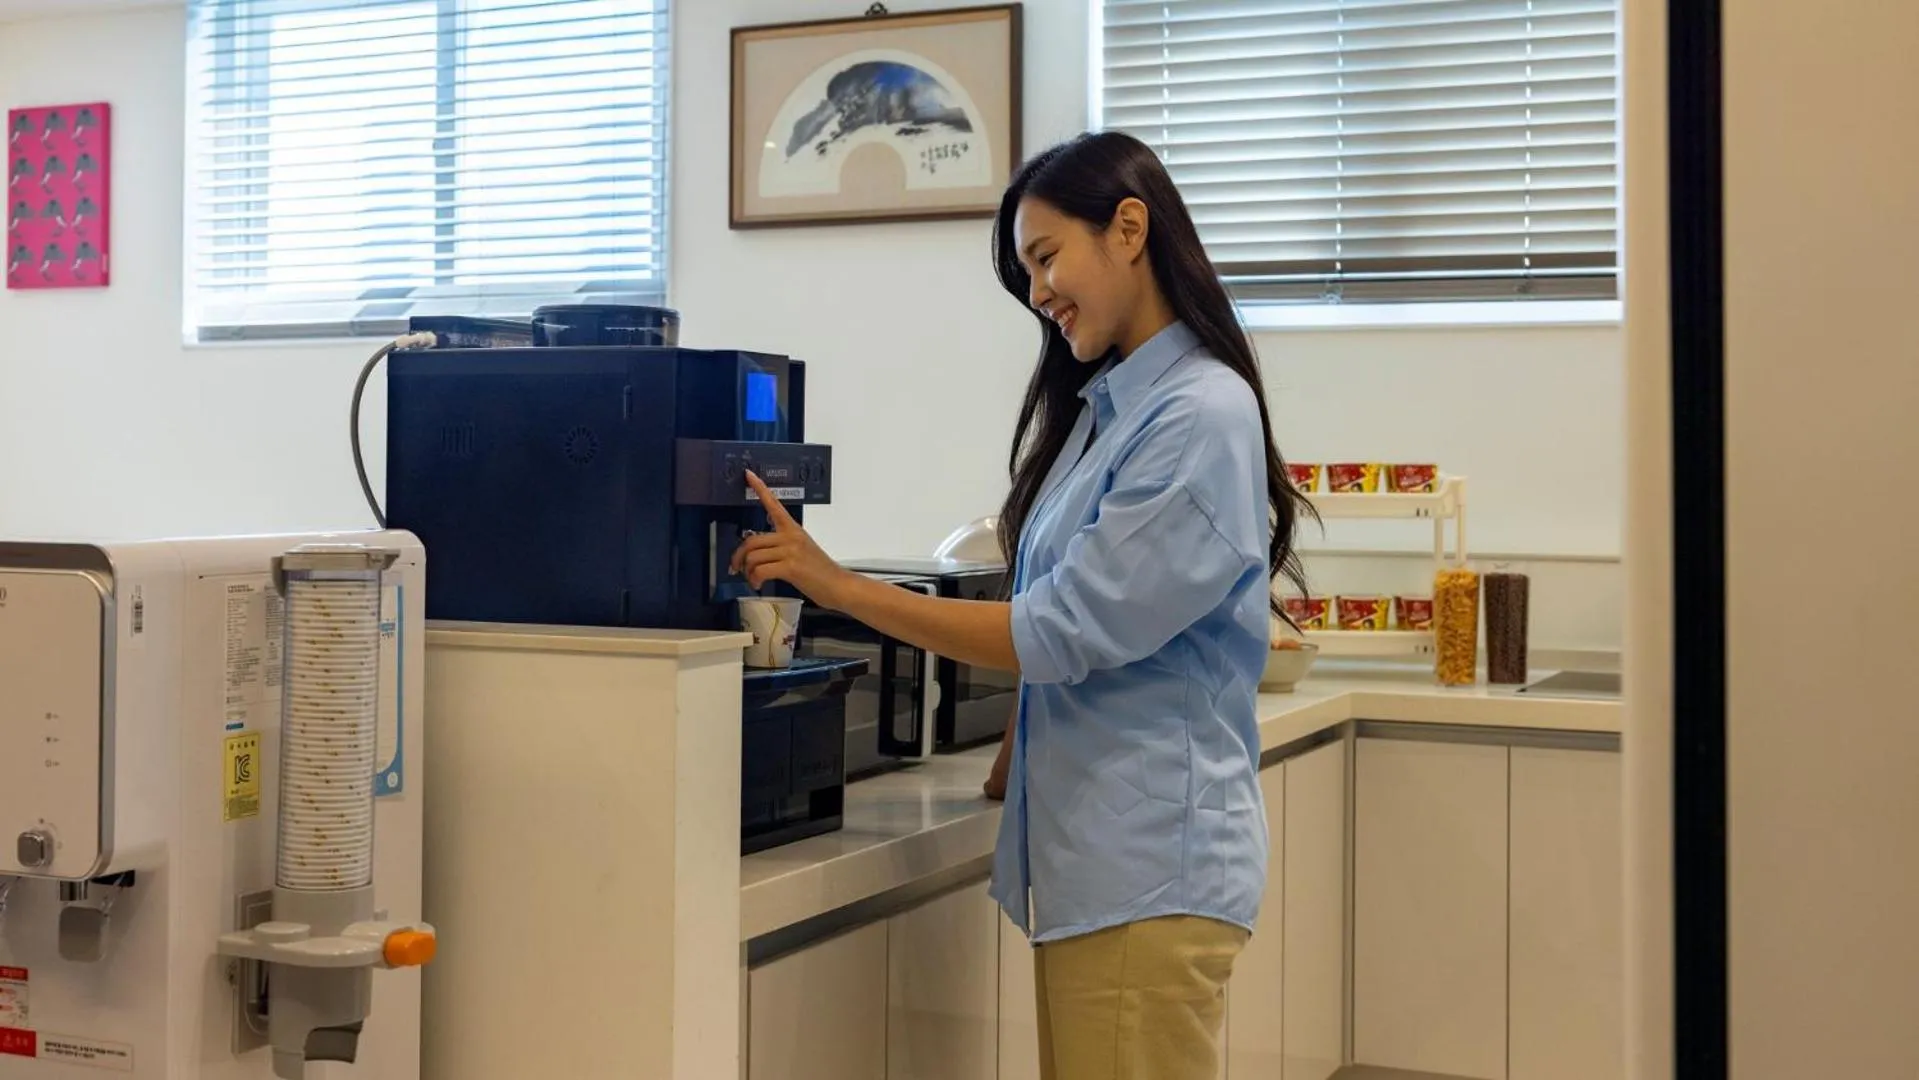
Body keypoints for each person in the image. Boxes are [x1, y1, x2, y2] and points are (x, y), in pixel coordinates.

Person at [731, 130, 1314, 1080]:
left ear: (1129, 229)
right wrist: (1017, 753)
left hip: (1145, 875)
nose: (1038, 291)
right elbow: (1082, 620)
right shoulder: (1115, 410)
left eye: (1046, 257)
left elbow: (1057, 629)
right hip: (1105, 869)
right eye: (1027, 269)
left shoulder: (1196, 414)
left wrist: (835, 587)